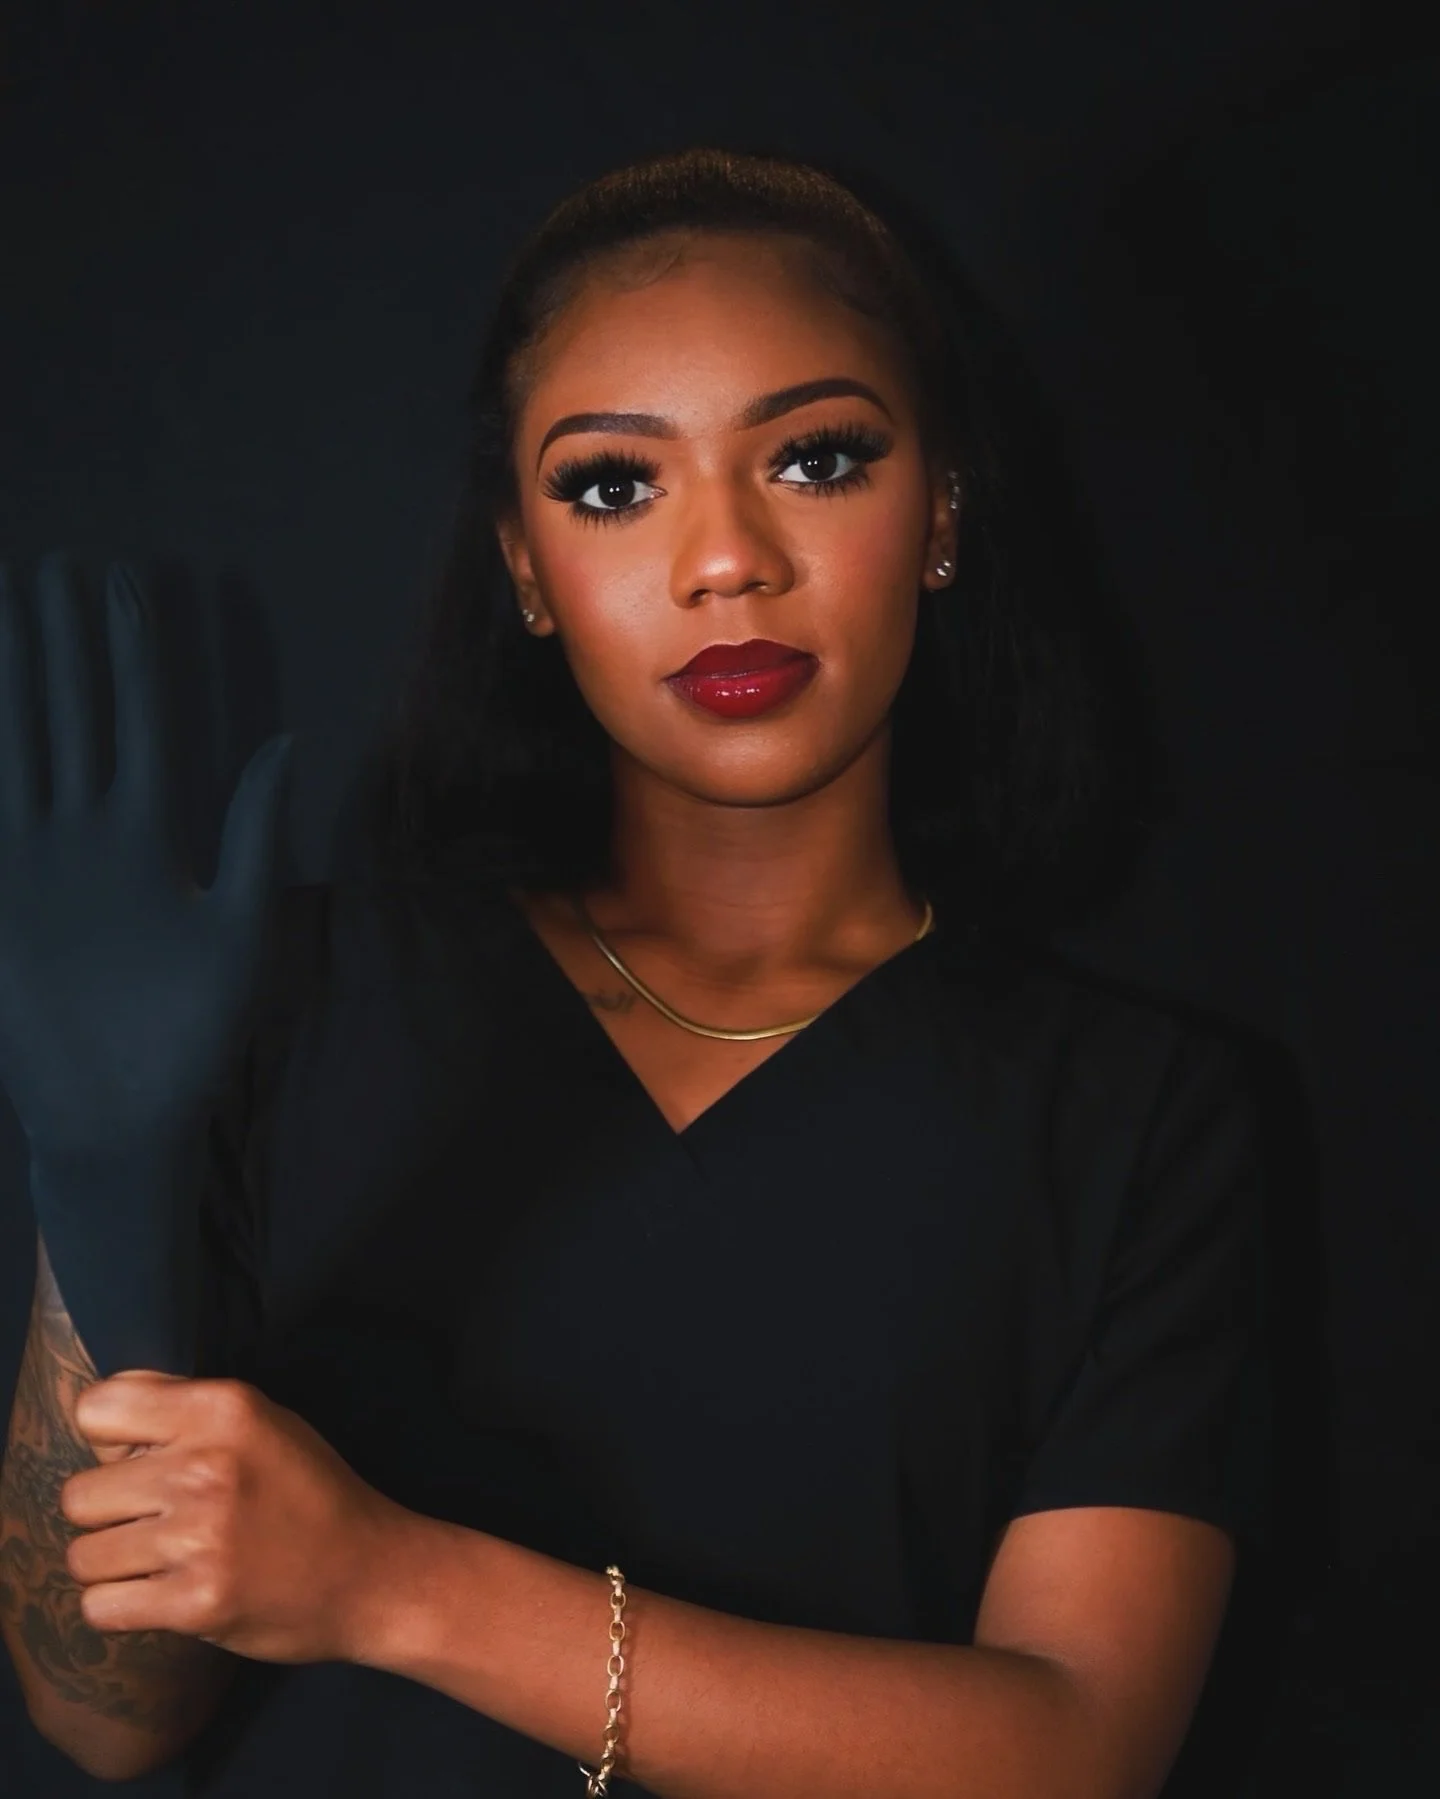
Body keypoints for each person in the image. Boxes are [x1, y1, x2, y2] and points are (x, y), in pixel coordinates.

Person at [1, 145, 1270, 1797]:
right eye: (614, 484)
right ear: (523, 565)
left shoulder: (1141, 1118)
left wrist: (396, 1583)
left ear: (946, 507)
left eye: (817, 459)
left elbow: (1074, 1751)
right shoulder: (279, 999)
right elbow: (102, 1716)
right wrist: (102, 1177)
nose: (725, 557)